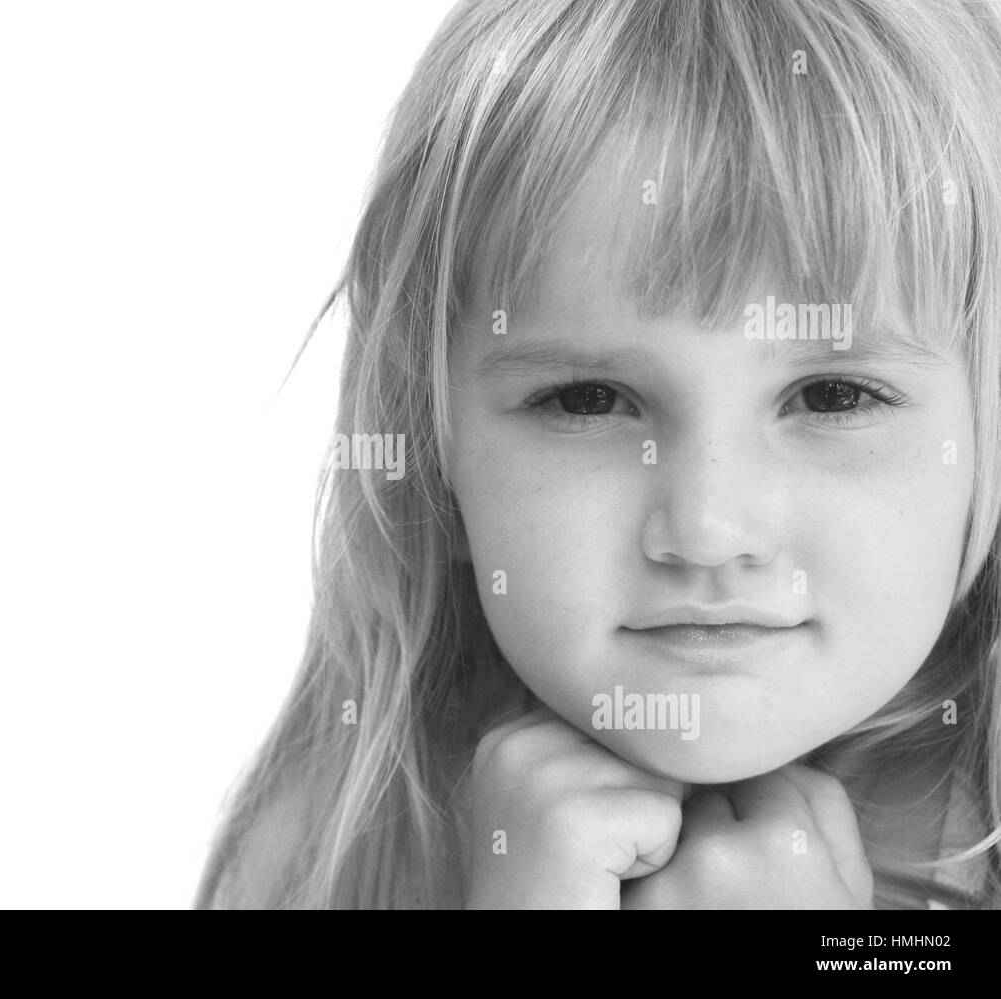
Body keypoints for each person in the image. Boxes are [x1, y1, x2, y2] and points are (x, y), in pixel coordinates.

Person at [196, 0, 1001, 908]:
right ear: (434, 460)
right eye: (587, 400)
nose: (706, 531)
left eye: (833, 396)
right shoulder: (328, 852)